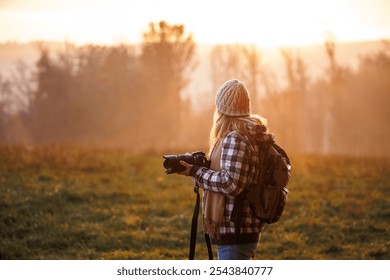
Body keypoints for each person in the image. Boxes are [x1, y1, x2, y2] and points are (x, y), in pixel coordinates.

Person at [178, 79, 268, 260]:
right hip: (240, 229)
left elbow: (231, 183)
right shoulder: (248, 135)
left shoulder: (235, 138)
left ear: (222, 109)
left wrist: (196, 172)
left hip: (236, 229)